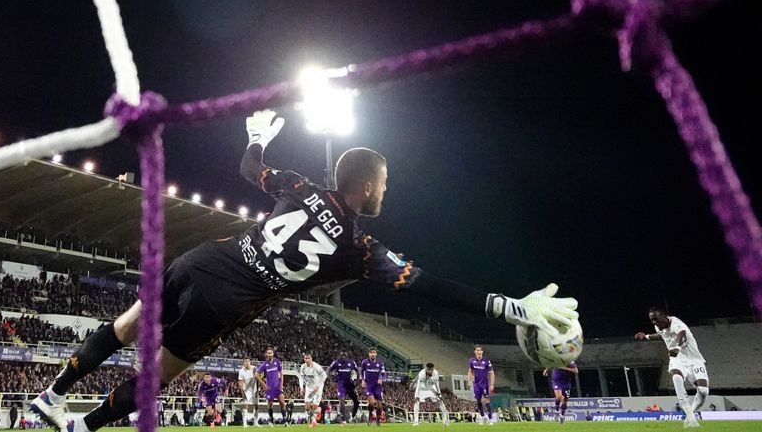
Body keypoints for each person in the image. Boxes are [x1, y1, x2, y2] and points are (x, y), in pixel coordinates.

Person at [29, 109, 579, 432]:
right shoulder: (361, 250)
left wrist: (256, 136)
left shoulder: (299, 188)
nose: (386, 193)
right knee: (157, 377)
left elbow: (248, 167)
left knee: (126, 327)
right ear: (364, 186)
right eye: (384, 185)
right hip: (228, 302)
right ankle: (81, 427)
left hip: (203, 261)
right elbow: (432, 287)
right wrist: (510, 306)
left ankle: (51, 396)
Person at [634, 307, 709, 429]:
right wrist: (646, 336)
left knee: (703, 392)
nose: (654, 323)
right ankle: (691, 418)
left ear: (664, 316)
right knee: (677, 378)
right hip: (677, 359)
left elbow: (682, 335)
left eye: (656, 319)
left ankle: (690, 415)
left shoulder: (676, 323)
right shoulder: (659, 326)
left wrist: (677, 348)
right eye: (652, 320)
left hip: (694, 360)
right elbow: (662, 335)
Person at [328, 351, 360, 425]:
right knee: (341, 401)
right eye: (342, 355)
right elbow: (328, 371)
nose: (343, 356)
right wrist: (333, 379)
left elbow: (357, 372)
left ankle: (353, 416)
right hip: (341, 385)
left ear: (347, 356)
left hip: (350, 385)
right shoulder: (336, 362)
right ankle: (344, 420)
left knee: (357, 401)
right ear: (339, 355)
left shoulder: (352, 363)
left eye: (345, 355)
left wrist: (356, 381)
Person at [257, 348, 287, 426]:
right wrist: (263, 384)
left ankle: (285, 421)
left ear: (273, 354)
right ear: (266, 354)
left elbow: (281, 372)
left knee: (282, 403)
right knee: (270, 404)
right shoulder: (264, 364)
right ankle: (271, 420)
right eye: (268, 353)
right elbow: (256, 375)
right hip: (269, 388)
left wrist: (281, 384)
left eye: (271, 353)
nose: (269, 354)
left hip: (278, 386)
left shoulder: (277, 362)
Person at [467, 345, 496, 425]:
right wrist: (469, 381)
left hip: (485, 384)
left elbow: (491, 373)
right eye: (477, 350)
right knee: (478, 401)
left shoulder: (486, 361)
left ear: (482, 352)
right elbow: (470, 371)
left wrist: (491, 384)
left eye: (480, 350)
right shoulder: (472, 361)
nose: (479, 352)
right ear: (475, 351)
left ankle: (490, 419)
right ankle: (483, 417)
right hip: (476, 384)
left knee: (487, 400)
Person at [299, 353, 327, 428]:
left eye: (308, 358)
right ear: (304, 359)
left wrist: (318, 386)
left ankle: (314, 419)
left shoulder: (316, 366)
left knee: (314, 407)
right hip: (309, 387)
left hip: (318, 387)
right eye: (305, 358)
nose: (307, 360)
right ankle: (314, 419)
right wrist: (301, 388)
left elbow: (324, 376)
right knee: (307, 407)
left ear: (311, 359)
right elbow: (301, 378)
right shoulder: (303, 367)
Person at [359, 348, 386, 426]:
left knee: (380, 406)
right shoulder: (364, 362)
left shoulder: (380, 363)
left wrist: (381, 379)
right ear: (369, 354)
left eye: (374, 352)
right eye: (371, 352)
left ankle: (378, 418)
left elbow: (384, 374)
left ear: (376, 354)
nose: (372, 354)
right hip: (369, 385)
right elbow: (361, 372)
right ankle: (370, 415)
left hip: (378, 386)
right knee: (371, 403)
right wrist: (363, 380)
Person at [238, 357, 260, 428]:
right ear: (243, 363)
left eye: (247, 361)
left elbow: (257, 379)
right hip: (246, 389)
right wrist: (242, 392)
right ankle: (244, 423)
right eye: (245, 362)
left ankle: (255, 422)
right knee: (246, 405)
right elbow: (240, 382)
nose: (246, 363)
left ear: (250, 362)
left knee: (256, 406)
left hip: (254, 388)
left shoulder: (254, 368)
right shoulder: (241, 371)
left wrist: (257, 390)